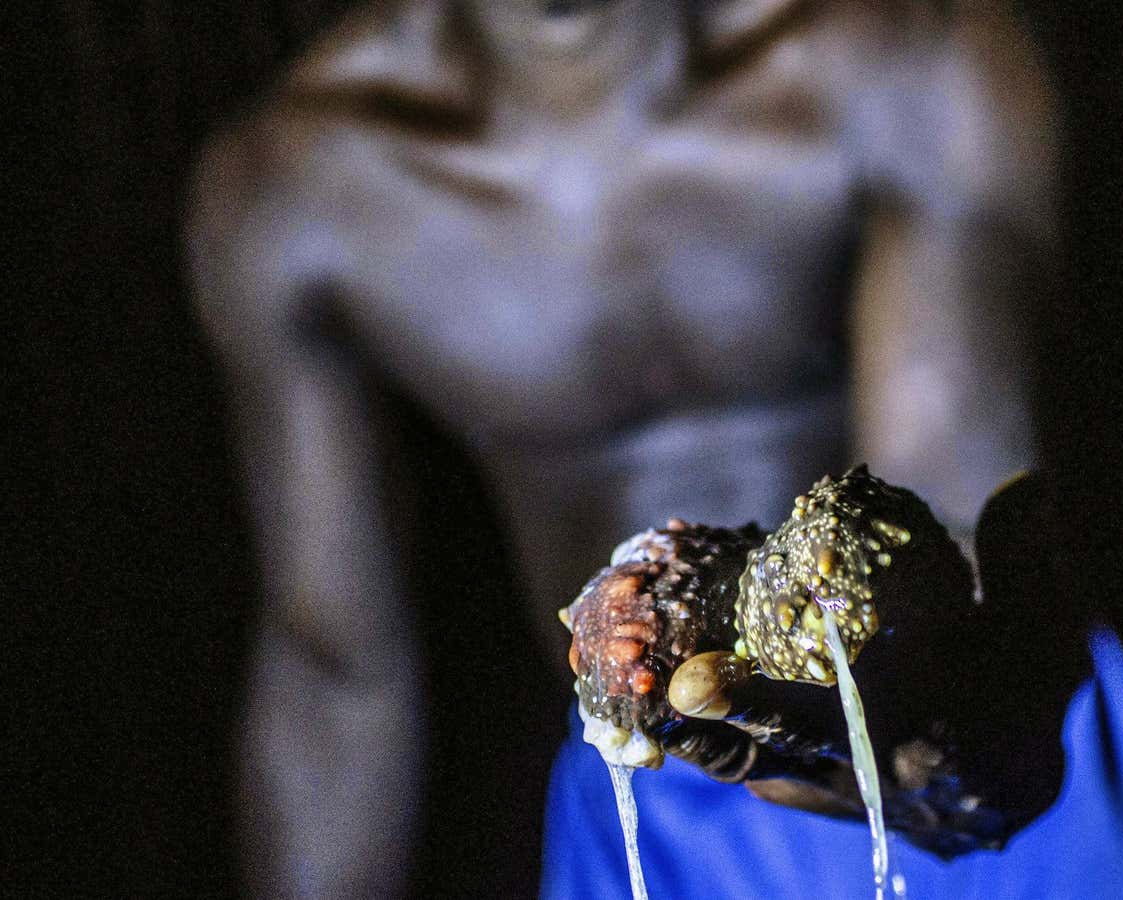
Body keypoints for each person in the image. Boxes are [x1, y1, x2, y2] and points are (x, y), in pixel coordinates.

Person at [186, 1, 1077, 895]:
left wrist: (958, 725)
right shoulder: (294, 191)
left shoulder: (901, 55)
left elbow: (959, 518)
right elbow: (334, 668)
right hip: (648, 797)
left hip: (972, 720)